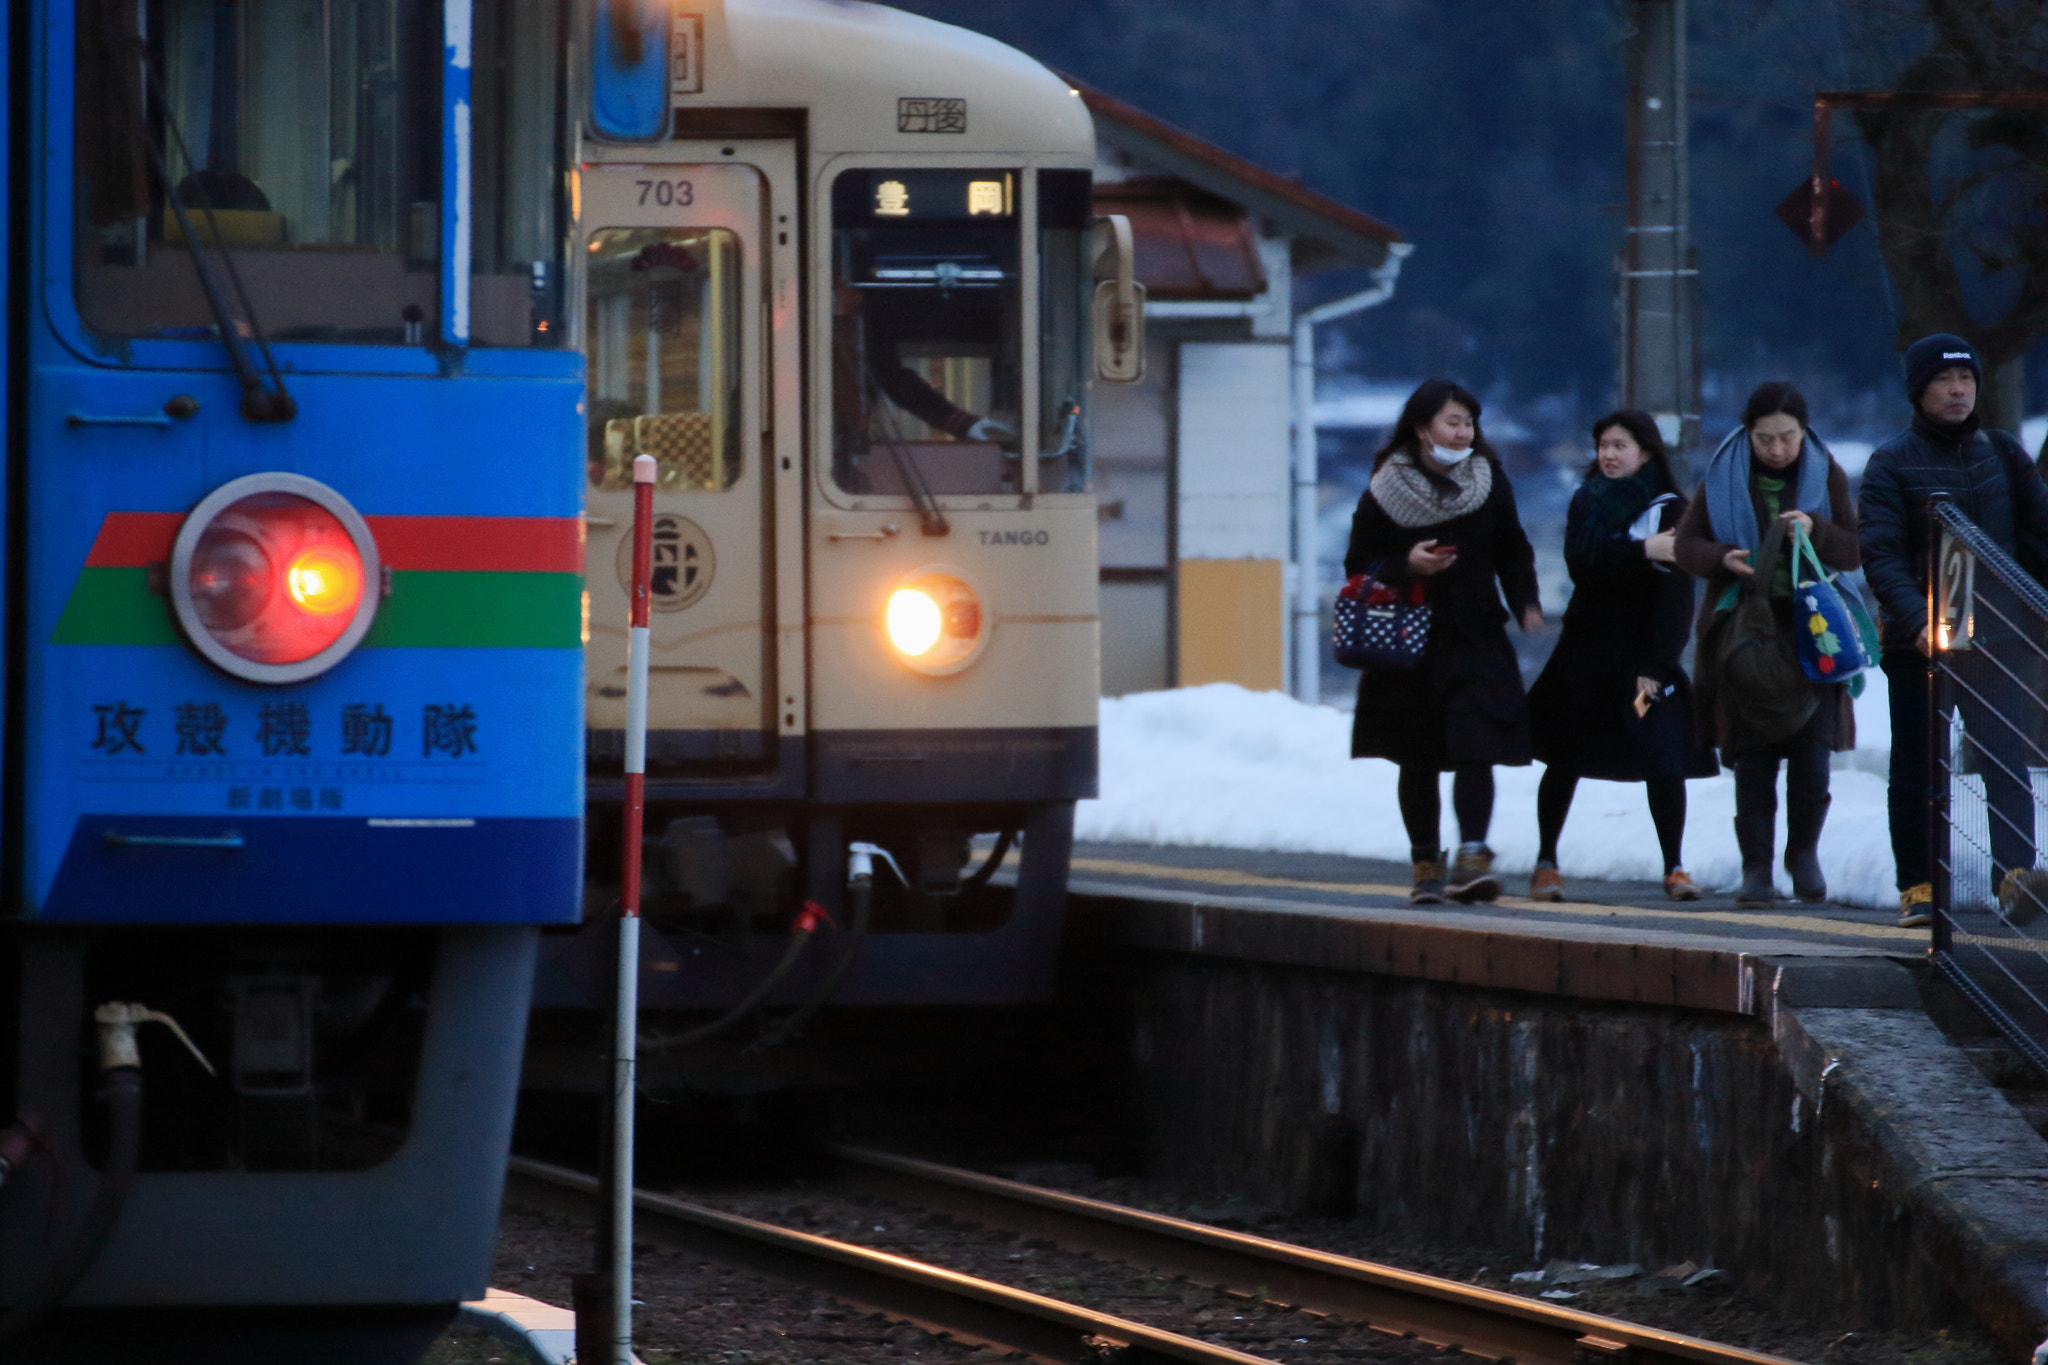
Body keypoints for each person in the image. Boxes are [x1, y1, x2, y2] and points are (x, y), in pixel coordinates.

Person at [1859, 334, 2048, 928]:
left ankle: (2015, 878)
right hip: (1920, 643)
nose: (1958, 390)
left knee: (2005, 759)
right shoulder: (1890, 463)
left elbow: (2038, 538)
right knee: (1918, 764)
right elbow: (1881, 554)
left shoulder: (2004, 453)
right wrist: (1917, 620)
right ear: (1920, 390)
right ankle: (1917, 883)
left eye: (1966, 379)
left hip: (1995, 637)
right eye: (1944, 380)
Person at [1345, 379, 1543, 905]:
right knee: (1419, 755)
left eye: (1468, 423)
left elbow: (1512, 547)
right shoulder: (1386, 488)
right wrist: (1405, 564)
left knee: (1477, 744)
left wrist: (1525, 599)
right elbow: (1358, 563)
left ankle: (1472, 857)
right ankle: (1426, 864)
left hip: (1476, 632)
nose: (1461, 432)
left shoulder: (1488, 479)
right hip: (1409, 641)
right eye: (1451, 422)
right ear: (1421, 427)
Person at [1674, 382, 1859, 907]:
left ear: (1804, 433)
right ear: (1747, 434)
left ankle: (1803, 853)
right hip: (1746, 633)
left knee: (1812, 754)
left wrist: (1816, 530)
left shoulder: (1827, 475)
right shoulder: (1724, 475)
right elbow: (1687, 545)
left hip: (1813, 628)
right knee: (1753, 757)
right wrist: (1723, 558)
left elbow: (1856, 548)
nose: (1777, 450)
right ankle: (1756, 865)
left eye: (1787, 438)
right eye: (1765, 440)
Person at [1526, 411, 1716, 902]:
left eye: (1620, 446)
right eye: (1603, 445)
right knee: (1565, 756)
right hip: (1585, 649)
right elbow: (1583, 567)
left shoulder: (1671, 509)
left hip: (1643, 655)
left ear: (1646, 452)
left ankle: (1675, 866)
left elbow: (1676, 598)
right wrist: (1640, 552)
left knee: (1664, 758)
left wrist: (1654, 666)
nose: (1609, 455)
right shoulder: (1587, 502)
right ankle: (1546, 862)